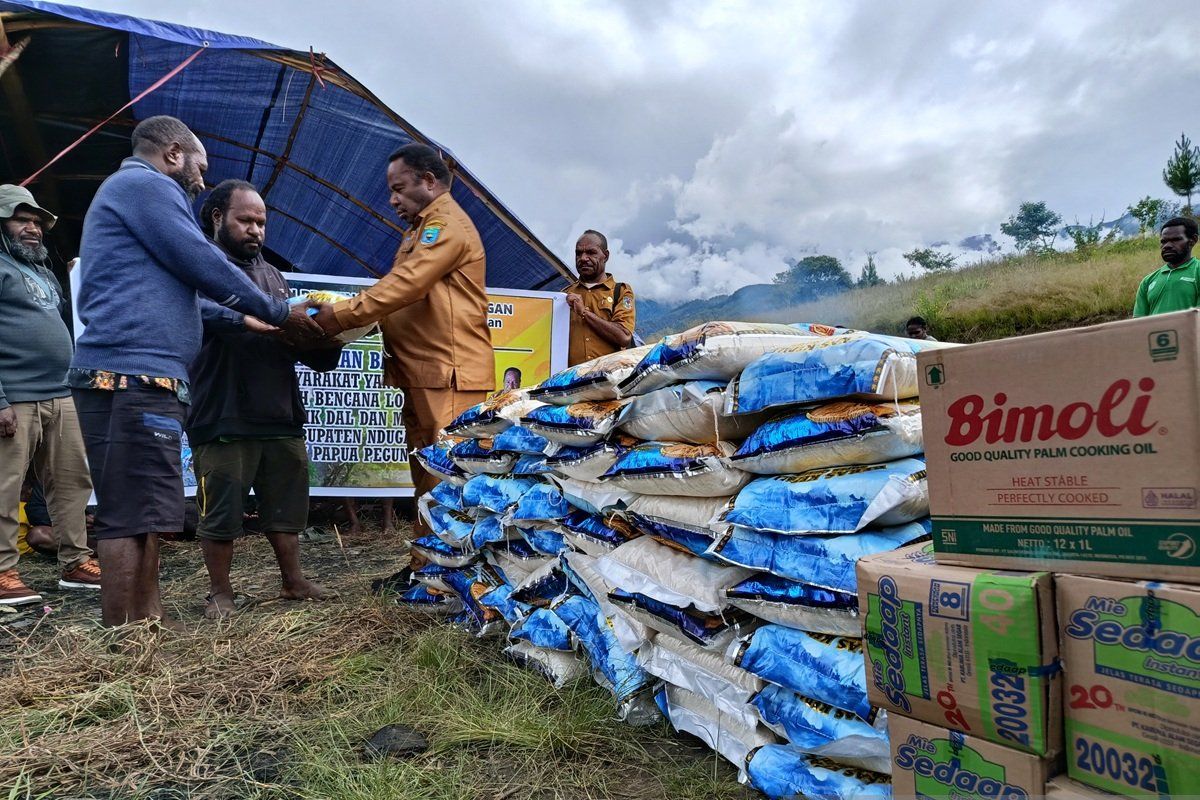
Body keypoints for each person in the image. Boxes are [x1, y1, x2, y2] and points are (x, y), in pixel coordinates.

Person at [68, 115, 322, 627]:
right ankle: (128, 635)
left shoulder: (132, 195)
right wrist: (277, 312)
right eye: (200, 167)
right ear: (173, 153)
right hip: (136, 375)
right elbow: (201, 261)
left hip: (135, 373)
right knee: (130, 513)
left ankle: (148, 620)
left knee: (142, 510)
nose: (202, 181)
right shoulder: (147, 186)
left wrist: (241, 318)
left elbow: (190, 297)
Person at [312, 143, 494, 534]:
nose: (393, 200)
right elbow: (400, 296)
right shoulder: (419, 230)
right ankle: (426, 561)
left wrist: (339, 317)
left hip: (449, 373)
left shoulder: (446, 225)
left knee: (446, 480)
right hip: (422, 372)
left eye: (398, 189)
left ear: (428, 181)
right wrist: (347, 323)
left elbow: (407, 284)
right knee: (427, 478)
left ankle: (440, 567)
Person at [187, 180, 341, 619]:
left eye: (261, 222)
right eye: (246, 220)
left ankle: (293, 581)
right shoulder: (199, 263)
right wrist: (248, 320)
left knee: (287, 504)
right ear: (218, 217)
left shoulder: (273, 275)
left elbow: (291, 336)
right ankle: (220, 592)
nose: (256, 230)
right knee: (220, 510)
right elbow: (196, 312)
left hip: (278, 409)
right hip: (222, 410)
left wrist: (331, 336)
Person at [0, 185, 100, 605]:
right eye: (21, 219)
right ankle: (2, 572)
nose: (33, 228)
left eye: (38, 222)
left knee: (72, 482)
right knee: (4, 487)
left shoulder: (41, 270)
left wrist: (77, 281)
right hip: (15, 396)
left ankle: (75, 562)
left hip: (60, 393)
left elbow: (59, 323)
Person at [564, 230, 636, 365]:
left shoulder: (620, 291)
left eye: (591, 252)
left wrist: (584, 313)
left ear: (606, 256)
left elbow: (624, 337)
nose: (583, 258)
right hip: (571, 377)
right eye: (578, 253)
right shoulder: (564, 296)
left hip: (608, 375)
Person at [1133, 216, 1200, 317]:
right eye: (1163, 241)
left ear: (1193, 240)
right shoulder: (1148, 281)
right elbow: (1138, 322)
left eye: (1175, 240)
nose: (1167, 246)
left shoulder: (1197, 271)